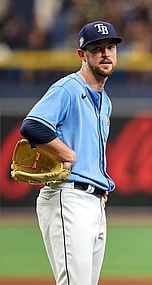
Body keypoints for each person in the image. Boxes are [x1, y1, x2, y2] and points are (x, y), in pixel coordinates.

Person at [19, 21, 122, 285]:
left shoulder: (105, 100)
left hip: (95, 202)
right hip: (68, 197)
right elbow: (32, 126)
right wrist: (68, 154)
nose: (106, 54)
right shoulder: (68, 88)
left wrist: (99, 178)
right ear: (82, 55)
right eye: (97, 48)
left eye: (110, 47)